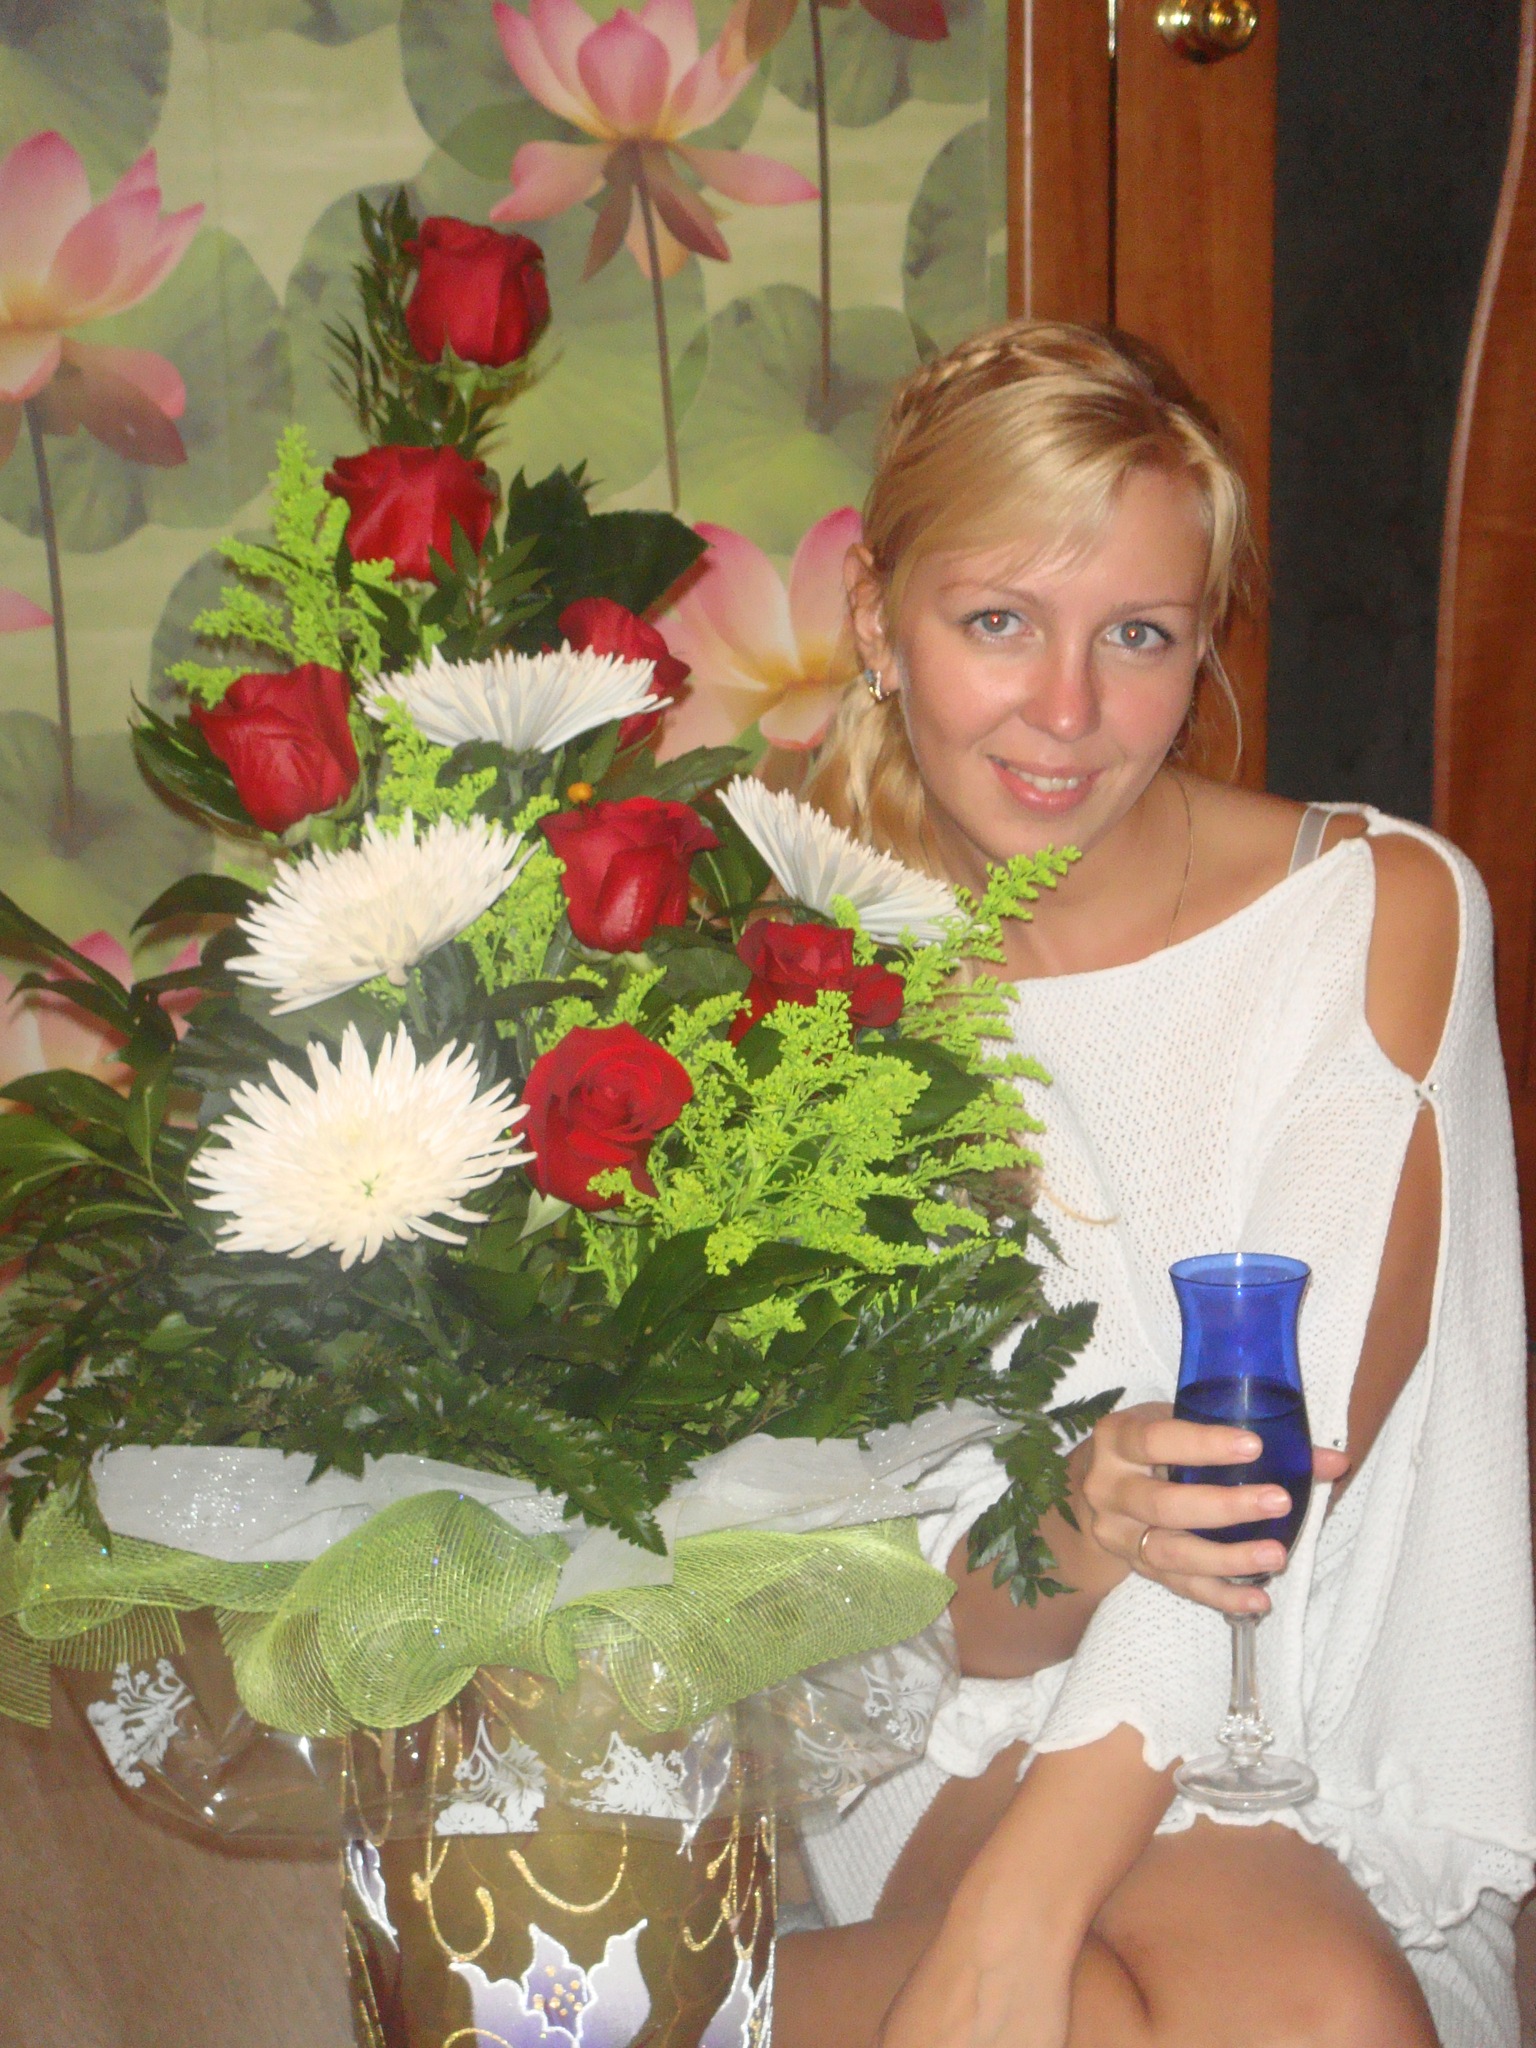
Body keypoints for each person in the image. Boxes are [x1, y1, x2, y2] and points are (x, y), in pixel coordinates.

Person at [773, 322, 1536, 2048]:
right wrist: (1076, 1515)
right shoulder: (809, 991)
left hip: (1325, 1763)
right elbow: (930, 1631)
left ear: (1202, 647)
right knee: (1301, 2019)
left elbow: (1274, 1472)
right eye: (999, 621)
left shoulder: (1376, 916)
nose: (1067, 712)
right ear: (877, 620)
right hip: (957, 1756)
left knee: (1232, 2010)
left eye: (1137, 635)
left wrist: (1013, 1933)